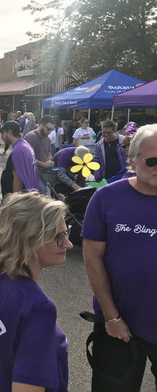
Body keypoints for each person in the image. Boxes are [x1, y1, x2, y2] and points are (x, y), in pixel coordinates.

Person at [0, 192, 71, 391]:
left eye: (66, 233)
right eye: (60, 237)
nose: (68, 244)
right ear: (30, 239)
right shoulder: (38, 308)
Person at [82, 123, 157, 391]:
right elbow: (92, 259)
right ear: (133, 160)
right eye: (153, 160)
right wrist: (112, 318)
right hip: (119, 328)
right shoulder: (105, 199)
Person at [0, 121, 39, 197]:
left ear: (9, 132)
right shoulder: (25, 145)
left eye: (2, 133)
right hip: (28, 193)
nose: (1, 137)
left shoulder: (17, 151)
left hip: (19, 197)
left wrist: (15, 201)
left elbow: (18, 180)